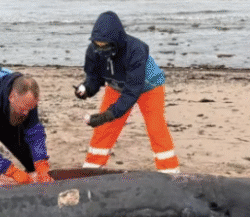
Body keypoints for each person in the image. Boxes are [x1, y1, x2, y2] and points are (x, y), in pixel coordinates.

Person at [76, 11, 180, 173]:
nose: (101, 49)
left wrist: (108, 114)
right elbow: (94, 77)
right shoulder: (93, 50)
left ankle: (170, 172)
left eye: (105, 45)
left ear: (116, 41)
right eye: (97, 45)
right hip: (116, 85)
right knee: (104, 129)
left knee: (155, 127)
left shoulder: (135, 50)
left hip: (149, 86)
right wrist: (86, 89)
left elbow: (132, 91)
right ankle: (92, 168)